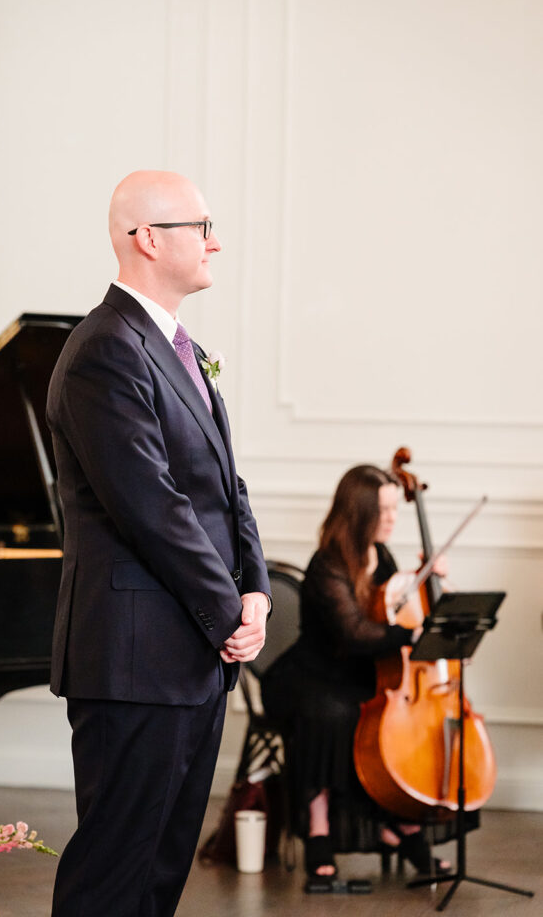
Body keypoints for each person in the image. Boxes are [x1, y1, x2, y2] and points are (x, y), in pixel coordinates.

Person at [47, 170, 271, 917]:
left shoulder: (178, 347)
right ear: (147, 239)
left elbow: (226, 488)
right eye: (198, 226)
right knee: (113, 874)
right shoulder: (103, 351)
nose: (216, 241)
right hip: (134, 659)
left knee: (160, 872)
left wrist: (257, 591)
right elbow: (152, 507)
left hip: (190, 654)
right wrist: (228, 613)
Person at [261, 464, 457, 890]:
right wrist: (411, 635)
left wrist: (428, 581)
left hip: (354, 673)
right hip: (309, 675)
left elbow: (392, 609)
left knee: (388, 716)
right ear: (358, 511)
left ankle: (399, 822)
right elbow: (355, 632)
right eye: (383, 510)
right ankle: (319, 829)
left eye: (394, 509)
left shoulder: (380, 555)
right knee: (331, 714)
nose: (392, 518)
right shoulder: (327, 563)